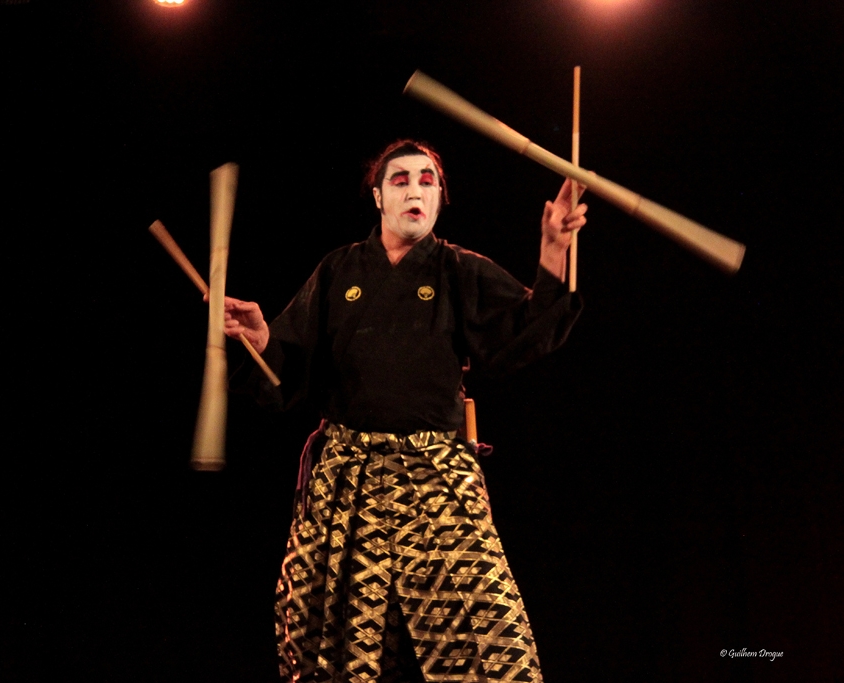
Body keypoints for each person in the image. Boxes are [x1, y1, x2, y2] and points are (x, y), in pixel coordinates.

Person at [221, 140, 587, 682]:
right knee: (324, 647)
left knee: (492, 643)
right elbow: (289, 368)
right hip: (348, 479)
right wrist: (261, 338)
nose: (414, 188)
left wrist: (554, 247)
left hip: (435, 475)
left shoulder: (459, 269)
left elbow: (524, 328)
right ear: (377, 197)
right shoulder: (338, 269)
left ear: (440, 199)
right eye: (399, 179)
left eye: (427, 179)